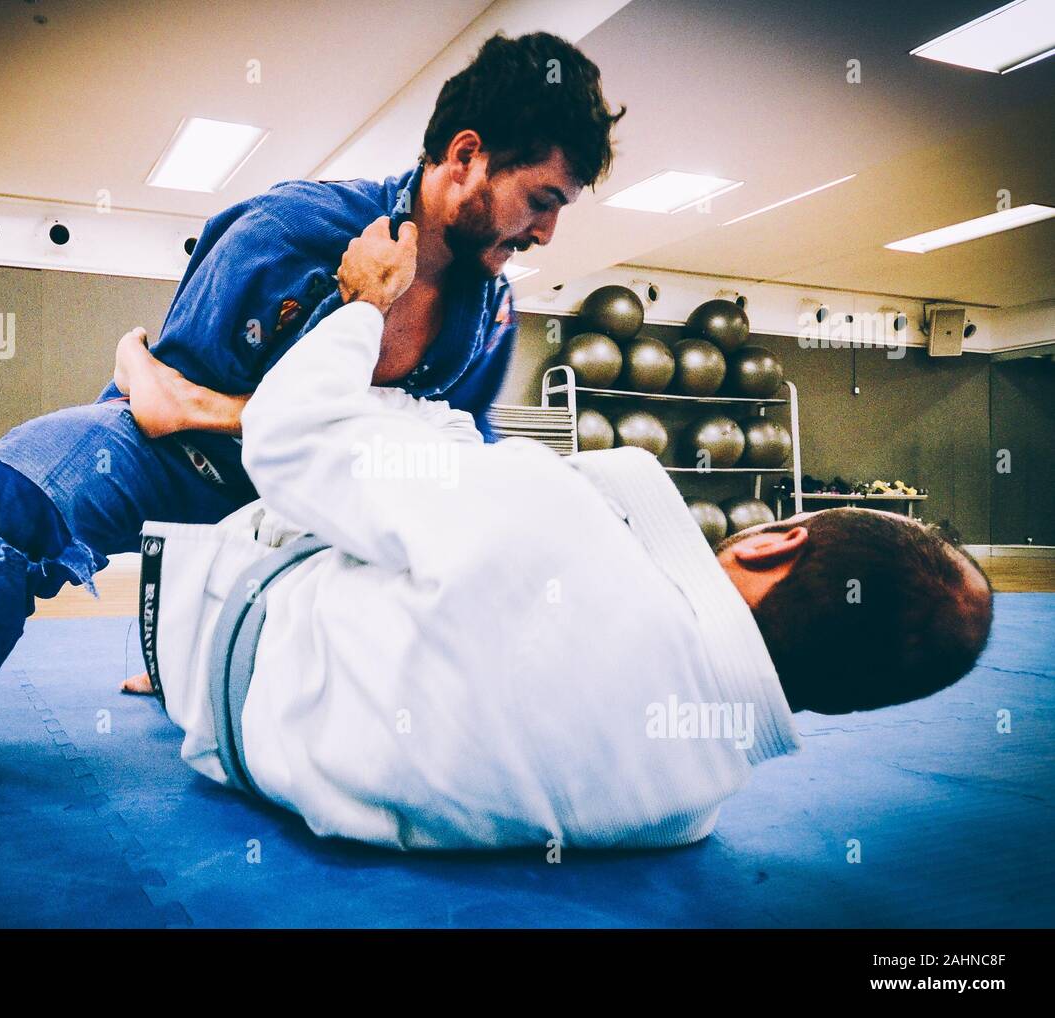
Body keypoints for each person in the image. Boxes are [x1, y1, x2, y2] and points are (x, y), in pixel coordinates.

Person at [0, 31, 625, 788]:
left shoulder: (490, 312)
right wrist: (280, 358)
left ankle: (194, 663)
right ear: (468, 155)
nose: (546, 234)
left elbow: (458, 450)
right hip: (187, 465)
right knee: (7, 492)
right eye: (542, 200)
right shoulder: (289, 228)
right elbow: (161, 397)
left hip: (325, 499)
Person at [129, 214, 995, 851]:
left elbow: (290, 440)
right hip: (251, 747)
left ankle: (183, 404)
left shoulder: (555, 522)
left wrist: (363, 303)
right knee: (449, 467)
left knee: (412, 438)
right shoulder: (689, 810)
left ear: (775, 544)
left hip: (214, 623)